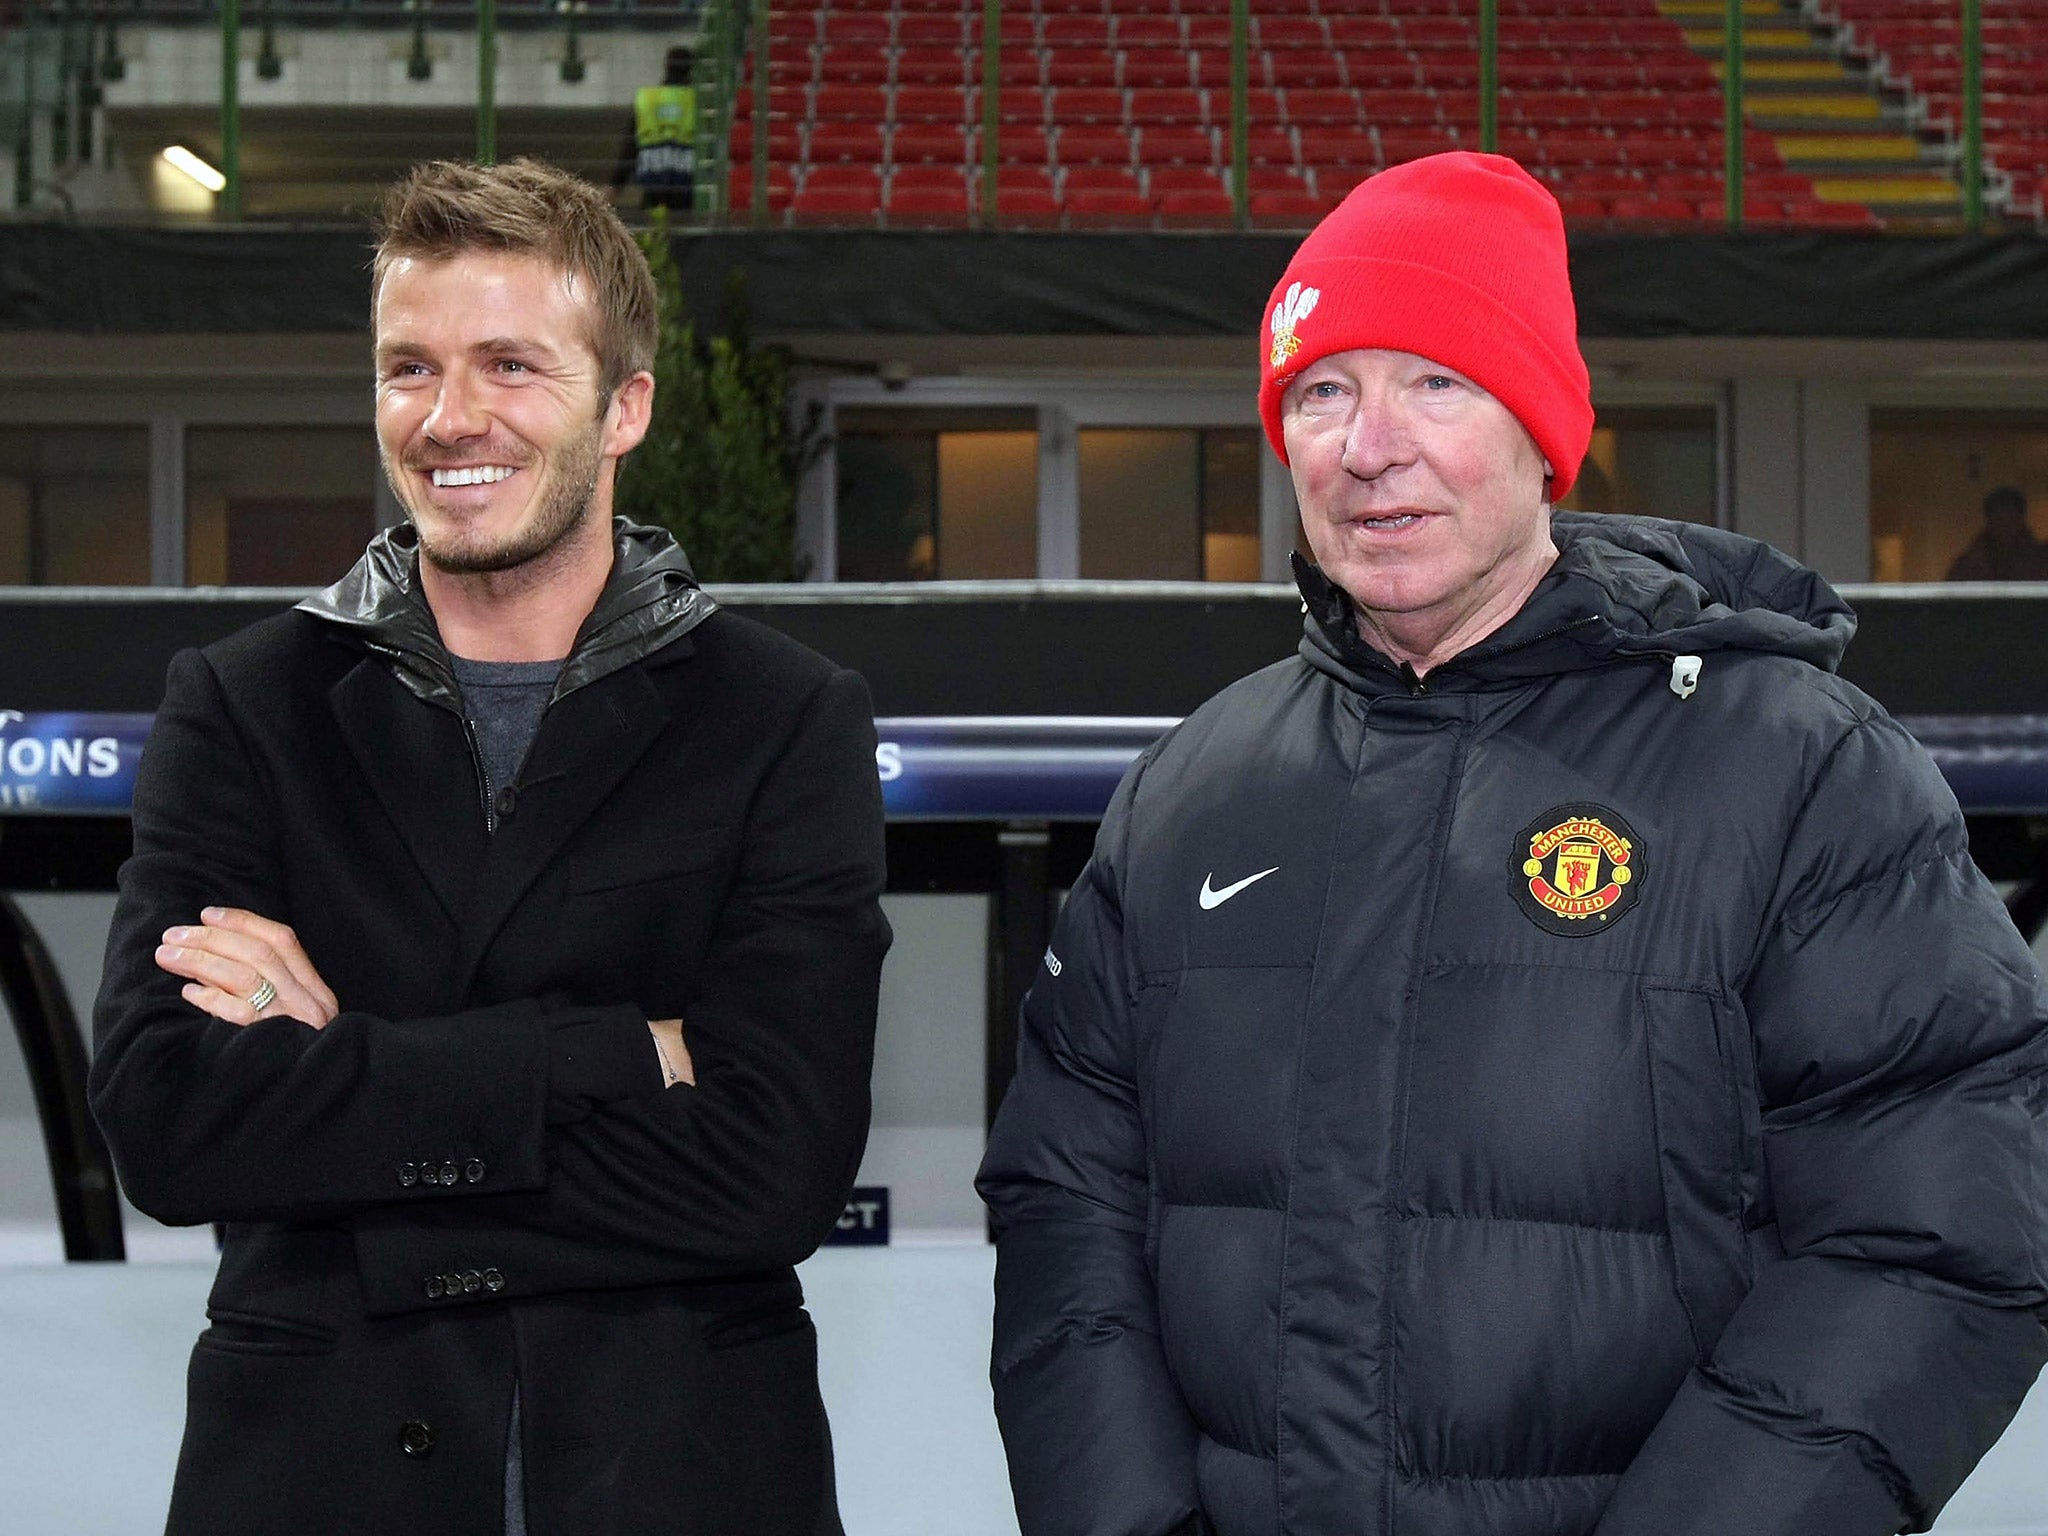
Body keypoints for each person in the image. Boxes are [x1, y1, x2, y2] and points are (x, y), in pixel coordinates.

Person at [978, 152, 2048, 1536]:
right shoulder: (1193, 787)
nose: (1371, 448)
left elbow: (1933, 1238)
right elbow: (1070, 1218)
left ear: (1545, 429)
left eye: (1436, 381)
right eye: (1322, 391)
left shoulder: (1801, 771)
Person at [89, 159, 889, 1536]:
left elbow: (776, 1167)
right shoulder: (244, 703)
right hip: (316, 1478)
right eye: (410, 368)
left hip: (680, 1478)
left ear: (622, 404)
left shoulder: (780, 716)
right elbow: (169, 1122)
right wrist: (620, 1054)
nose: (450, 418)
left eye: (511, 365)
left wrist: (345, 1106)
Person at [613, 45, 699, 214]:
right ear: (691, 69)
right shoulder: (698, 100)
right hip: (688, 182)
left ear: (666, 66)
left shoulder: (648, 99)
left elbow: (630, 147)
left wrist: (616, 185)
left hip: (654, 181)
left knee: (653, 231)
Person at [1945, 484, 2048, 581]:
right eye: (1999, 520)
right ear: (1989, 521)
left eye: (2012, 519)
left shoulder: (2041, 559)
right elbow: (1952, 595)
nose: (2005, 527)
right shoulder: (1969, 565)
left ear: (2021, 520)